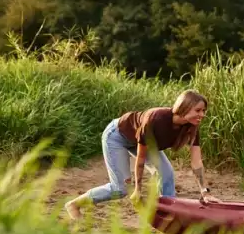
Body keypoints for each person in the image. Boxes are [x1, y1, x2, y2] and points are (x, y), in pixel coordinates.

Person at [65, 89, 214, 220]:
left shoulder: (191, 127)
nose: (202, 114)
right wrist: (138, 189)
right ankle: (74, 204)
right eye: (198, 110)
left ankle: (169, 215)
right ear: (184, 107)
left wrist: (204, 192)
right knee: (120, 189)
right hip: (117, 137)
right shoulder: (156, 119)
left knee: (167, 174)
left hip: (143, 143)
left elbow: (196, 162)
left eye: (203, 111)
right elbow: (141, 158)